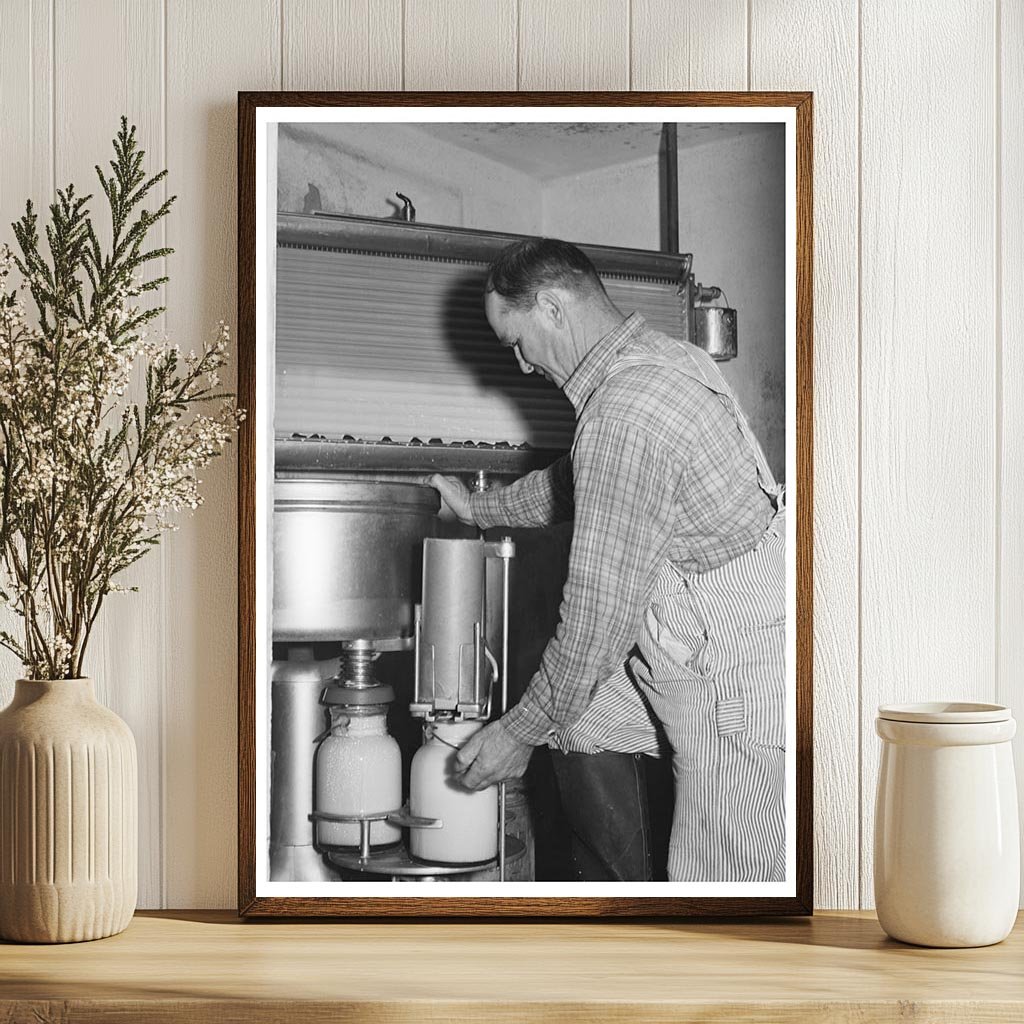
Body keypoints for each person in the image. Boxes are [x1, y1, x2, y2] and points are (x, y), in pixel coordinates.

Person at [431, 237, 786, 882]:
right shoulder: (662, 359)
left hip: (736, 661)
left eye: (517, 341)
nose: (521, 365)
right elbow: (577, 480)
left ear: (552, 308)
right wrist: (477, 511)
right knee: (580, 722)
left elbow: (598, 617)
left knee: (726, 883)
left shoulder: (624, 413)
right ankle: (624, 906)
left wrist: (517, 732)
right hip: (692, 625)